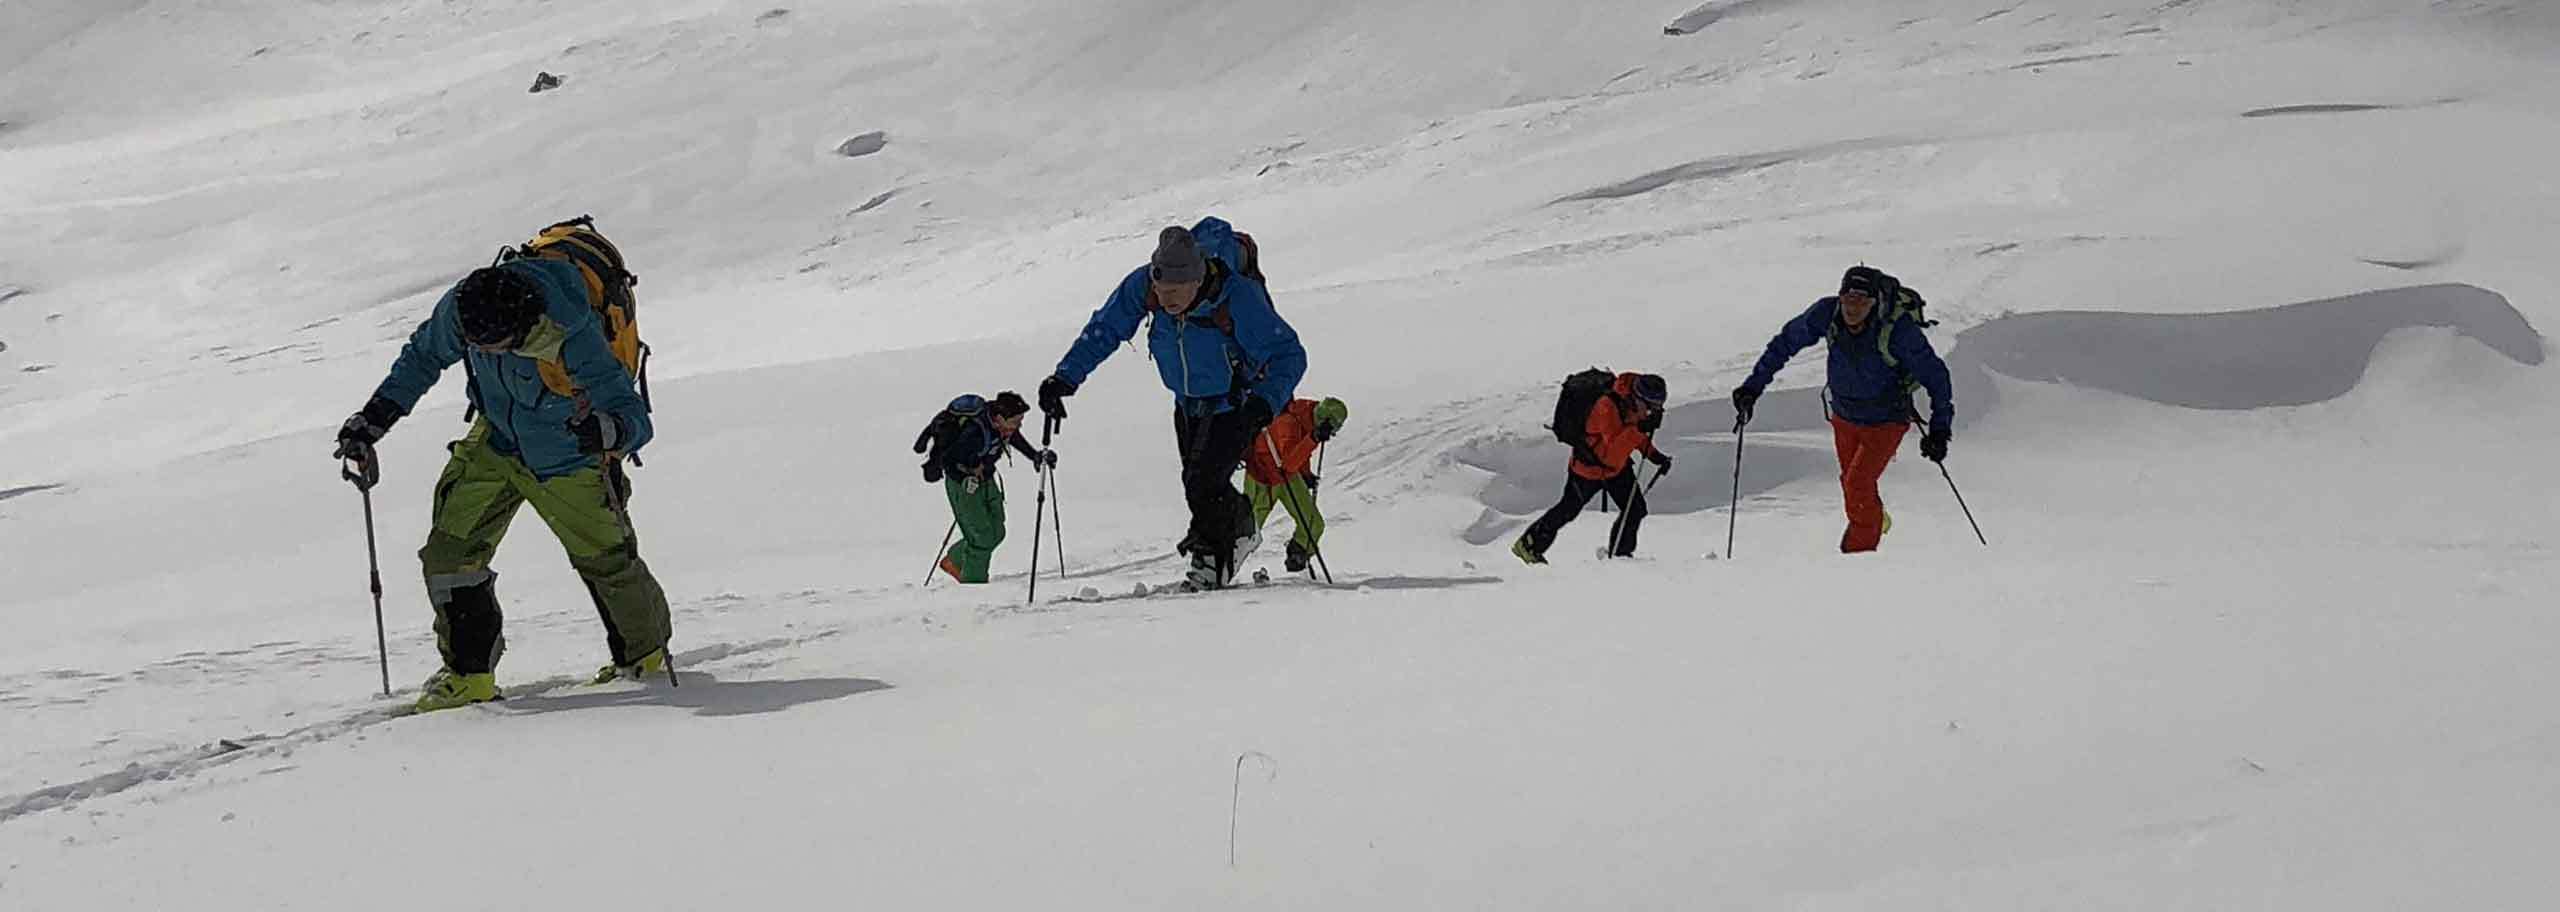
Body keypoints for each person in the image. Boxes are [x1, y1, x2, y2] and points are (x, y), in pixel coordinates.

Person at [333, 258, 669, 712]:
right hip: (496, 440)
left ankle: (644, 659)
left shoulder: (571, 330)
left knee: (607, 560)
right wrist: (373, 420)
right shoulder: (463, 307)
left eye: (495, 346)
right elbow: (424, 357)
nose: (484, 354)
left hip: (567, 457)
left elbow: (633, 417)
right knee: (451, 555)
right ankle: (469, 675)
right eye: (477, 347)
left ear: (524, 325)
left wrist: (607, 432)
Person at [1037, 217, 1307, 589]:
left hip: (1236, 400)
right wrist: (1065, 377)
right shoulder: (1143, 285)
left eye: (1176, 294)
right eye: (1161, 293)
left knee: (1203, 482)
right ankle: (1235, 530)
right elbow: (1106, 328)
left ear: (1198, 280)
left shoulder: (1237, 296)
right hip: (1186, 400)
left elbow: (1289, 354)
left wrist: (1264, 402)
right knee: (1196, 482)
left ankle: (1216, 557)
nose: (1166, 302)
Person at [1729, 265, 1955, 553]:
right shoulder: (1828, 313)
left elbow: (1936, 376)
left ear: (1874, 303)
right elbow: (1785, 343)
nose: (1852, 308)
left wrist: (1940, 430)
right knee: (1852, 485)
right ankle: (1873, 519)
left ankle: (1858, 561)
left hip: (1886, 421)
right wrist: (1753, 387)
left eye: (1861, 301)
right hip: (1844, 417)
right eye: (1848, 299)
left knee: (1858, 485)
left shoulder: (1898, 330)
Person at [1514, 373, 1671, 563]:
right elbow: (1612, 449)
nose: (1652, 411)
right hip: (1587, 470)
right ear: (1638, 397)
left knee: (1635, 509)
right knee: (1567, 511)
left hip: (1617, 469)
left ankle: (1621, 557)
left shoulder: (1634, 406)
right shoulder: (1606, 407)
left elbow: (1632, 438)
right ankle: (1528, 545)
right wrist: (1639, 429)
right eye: (1651, 406)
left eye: (1657, 407)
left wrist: (1655, 455)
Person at [936, 392, 1055, 584]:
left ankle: (954, 561)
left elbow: (1014, 438)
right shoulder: (974, 432)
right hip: (964, 487)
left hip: (986, 480)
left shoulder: (1001, 428)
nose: (1019, 425)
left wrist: (1035, 456)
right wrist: (966, 476)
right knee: (982, 539)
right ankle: (973, 587)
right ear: (1000, 418)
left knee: (996, 531)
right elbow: (948, 460)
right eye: (1016, 421)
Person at [1242, 397, 1348, 573]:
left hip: (1288, 477)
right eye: (1334, 428)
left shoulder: (1309, 421)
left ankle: (1298, 553)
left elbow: (1299, 454)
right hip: (1264, 477)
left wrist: (1305, 474)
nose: (1333, 433)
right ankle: (1219, 563)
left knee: (1313, 524)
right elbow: (1288, 462)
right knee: (1247, 530)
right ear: (1326, 420)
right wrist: (1313, 439)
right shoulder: (1288, 423)